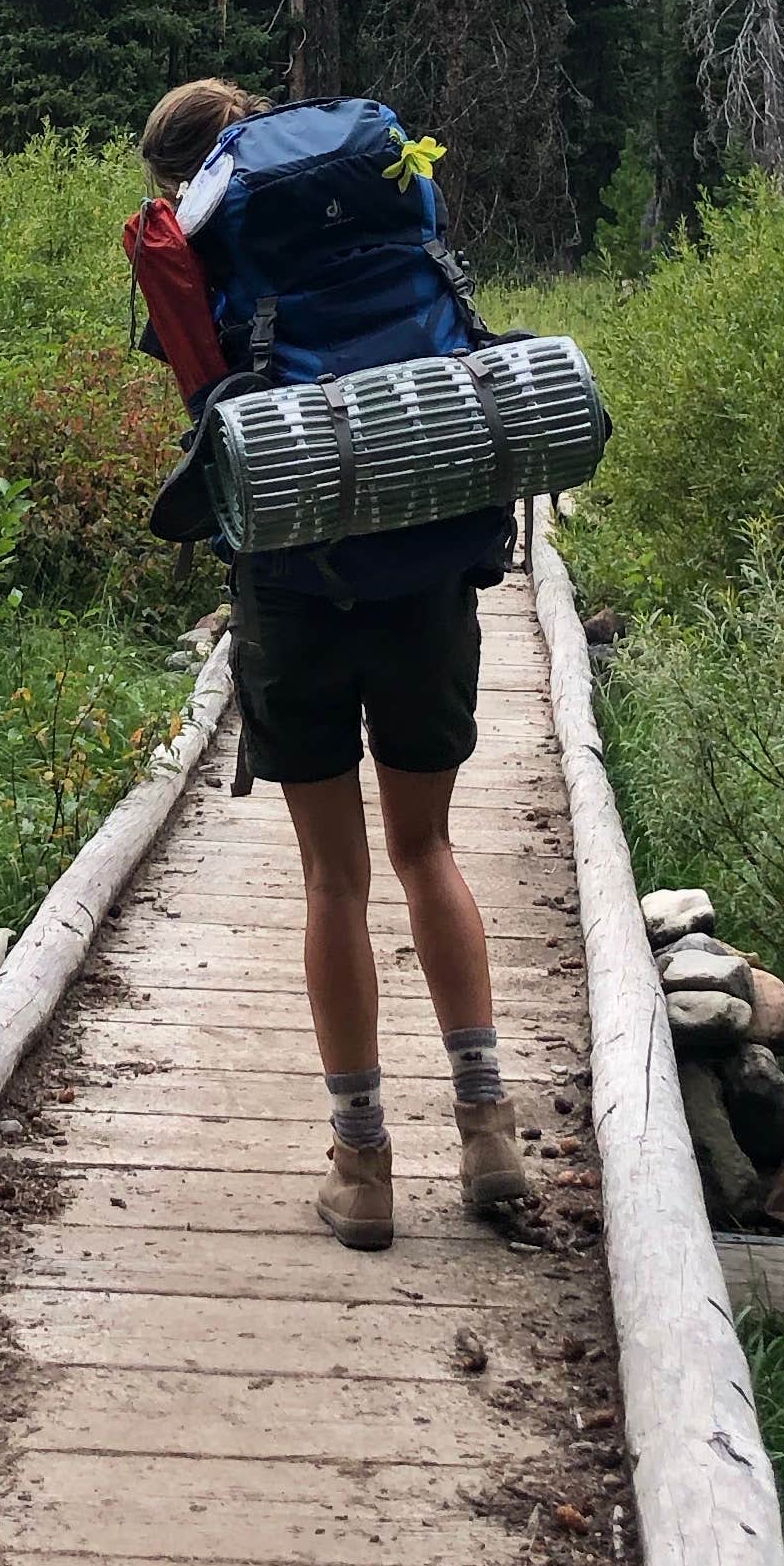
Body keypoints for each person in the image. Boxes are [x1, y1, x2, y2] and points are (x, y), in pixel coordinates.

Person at [134, 77, 527, 1251]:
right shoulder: (378, 172)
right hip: (425, 559)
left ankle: (363, 1168)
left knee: (334, 879)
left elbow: (198, 388)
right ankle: (489, 1130)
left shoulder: (198, 228)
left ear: (176, 171)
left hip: (295, 581)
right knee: (428, 849)